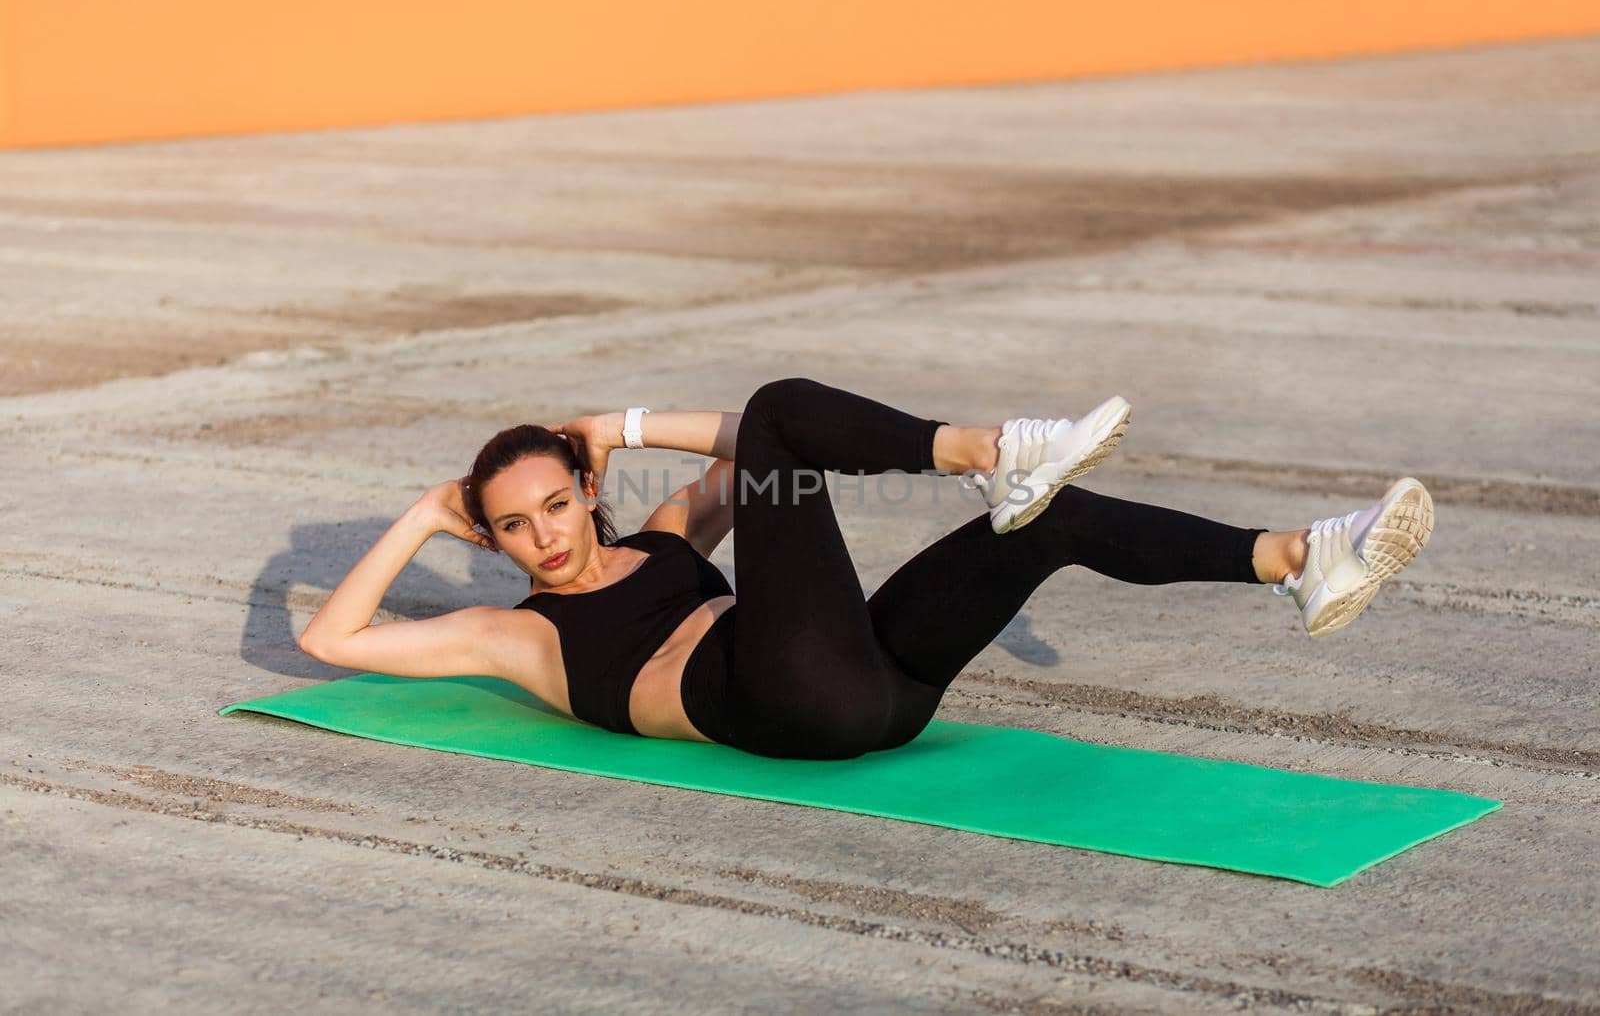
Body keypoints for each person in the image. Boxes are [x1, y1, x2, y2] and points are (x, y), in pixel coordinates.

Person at [297, 377, 1433, 760]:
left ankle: (1297, 561)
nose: (543, 536)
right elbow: (328, 641)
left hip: (887, 692)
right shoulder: (519, 633)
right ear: (491, 543)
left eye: (555, 502)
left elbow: (747, 446)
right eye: (511, 526)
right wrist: (419, 512)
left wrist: (616, 420)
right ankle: (991, 450)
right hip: (791, 701)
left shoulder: (660, 541)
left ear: (587, 493)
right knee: (792, 411)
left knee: (1045, 522)